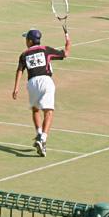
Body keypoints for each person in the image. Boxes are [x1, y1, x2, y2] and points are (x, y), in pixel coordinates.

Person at [12, 28, 70, 157]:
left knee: (35, 110)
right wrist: (68, 40)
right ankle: (43, 139)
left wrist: (16, 88)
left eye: (26, 39)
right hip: (46, 81)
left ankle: (39, 133)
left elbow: (20, 70)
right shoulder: (46, 50)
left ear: (30, 41)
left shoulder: (24, 54)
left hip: (32, 83)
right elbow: (66, 53)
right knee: (48, 112)